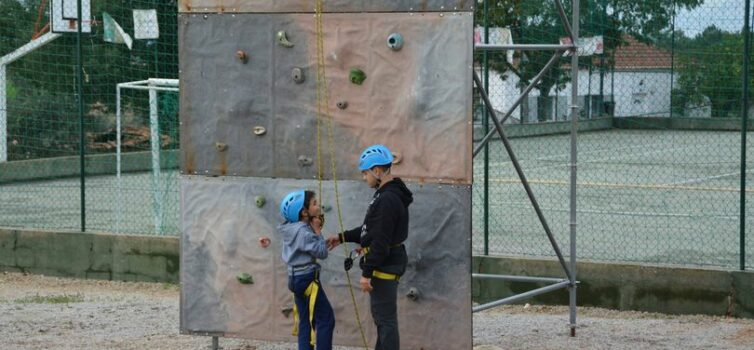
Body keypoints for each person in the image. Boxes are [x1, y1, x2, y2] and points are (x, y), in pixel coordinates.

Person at [327, 144, 413, 350]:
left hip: (385, 265)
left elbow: (381, 243)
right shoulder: (386, 194)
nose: (364, 177)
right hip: (387, 262)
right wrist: (342, 237)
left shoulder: (388, 199)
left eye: (365, 173)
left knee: (385, 322)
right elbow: (371, 230)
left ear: (376, 170)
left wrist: (367, 273)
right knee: (383, 321)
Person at [279, 190, 335, 350]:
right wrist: (317, 231)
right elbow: (322, 253)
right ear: (304, 212)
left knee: (306, 321)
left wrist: (313, 227)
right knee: (326, 318)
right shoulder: (304, 232)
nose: (319, 205)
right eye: (315, 203)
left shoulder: (292, 228)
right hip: (307, 278)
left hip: (295, 278)